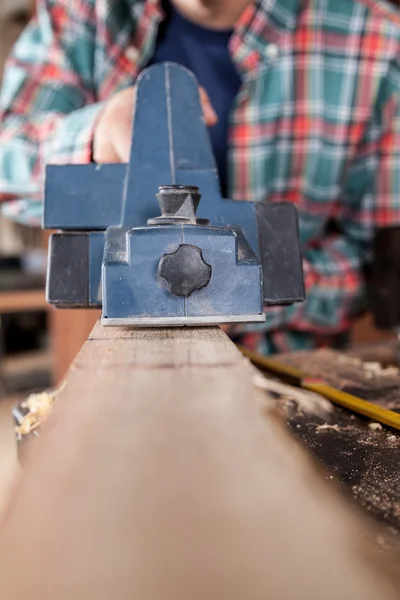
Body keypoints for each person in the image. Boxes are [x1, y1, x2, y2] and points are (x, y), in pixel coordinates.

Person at [0, 0, 400, 355]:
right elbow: (7, 159)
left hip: (288, 365)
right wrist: (95, 135)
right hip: (119, 364)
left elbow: (378, 270)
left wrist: (240, 289)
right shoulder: (81, 12)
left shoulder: (378, 39)